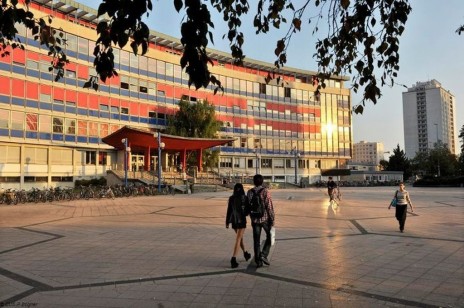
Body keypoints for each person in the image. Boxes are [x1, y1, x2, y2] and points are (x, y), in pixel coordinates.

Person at [247, 174, 275, 268]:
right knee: (270, 236)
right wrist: (272, 219)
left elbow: (248, 206)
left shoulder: (249, 192)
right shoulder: (265, 191)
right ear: (262, 181)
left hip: (254, 220)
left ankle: (258, 261)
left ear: (254, 182)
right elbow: (269, 206)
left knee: (256, 241)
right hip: (265, 219)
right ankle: (264, 254)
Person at [226, 183, 251, 268]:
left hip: (234, 221)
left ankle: (245, 253)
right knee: (238, 239)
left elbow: (229, 211)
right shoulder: (244, 198)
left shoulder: (231, 198)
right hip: (241, 221)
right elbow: (247, 211)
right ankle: (233, 258)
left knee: (240, 238)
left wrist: (227, 222)